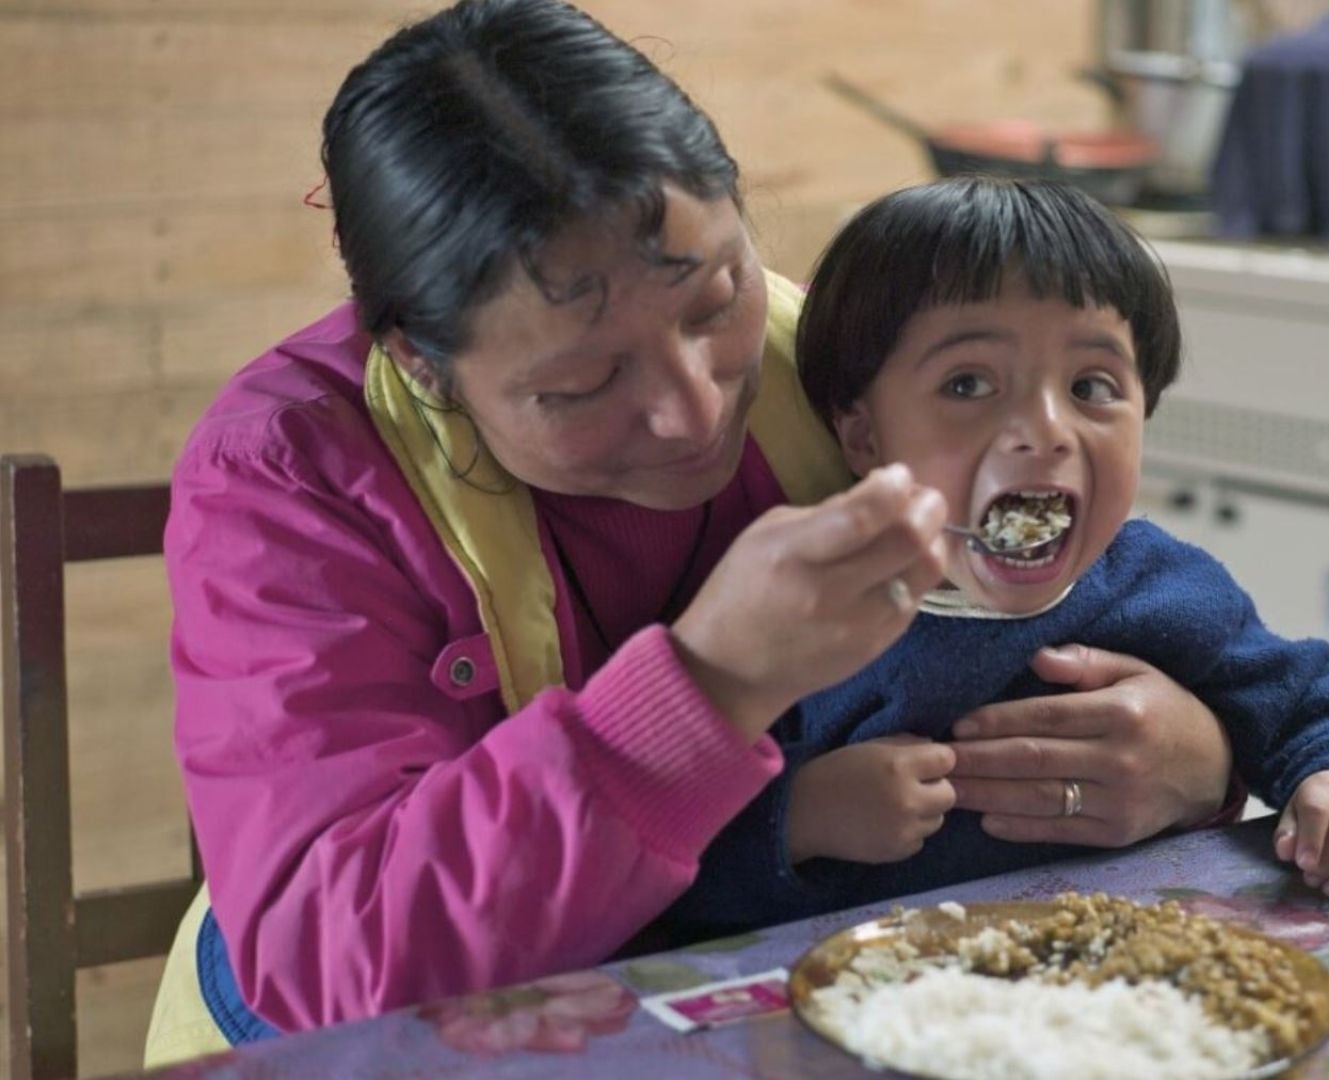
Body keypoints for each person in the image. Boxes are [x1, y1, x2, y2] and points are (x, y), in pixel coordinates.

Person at [142, 0, 1241, 1065]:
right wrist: (709, 685)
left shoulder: (834, 365)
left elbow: (1067, 595)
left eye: (714, 302)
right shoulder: (291, 473)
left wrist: (1201, 752)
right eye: (583, 383)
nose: (696, 408)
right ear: (424, 363)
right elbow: (333, 964)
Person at [662, 177, 1329, 942]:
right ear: (863, 436)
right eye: (968, 383)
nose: (1046, 429)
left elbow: (1317, 704)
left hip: (1124, 984)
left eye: (1091, 385)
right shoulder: (806, 610)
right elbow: (671, 854)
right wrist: (801, 816)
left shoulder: (1164, 586)